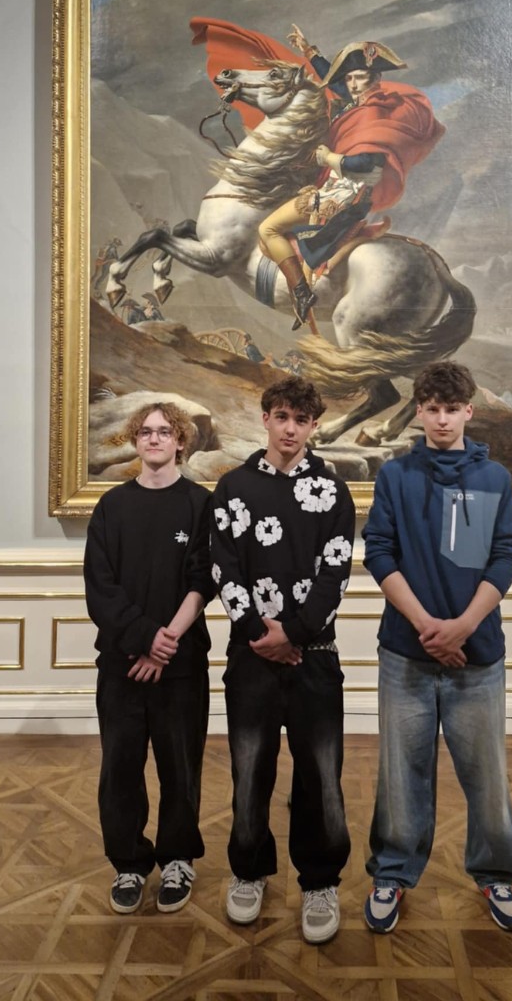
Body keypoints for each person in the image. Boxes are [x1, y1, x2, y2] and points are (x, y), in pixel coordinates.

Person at [361, 361, 512, 935]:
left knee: (486, 775)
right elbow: (379, 552)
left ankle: (496, 873)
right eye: (431, 408)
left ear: (468, 412)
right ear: (419, 412)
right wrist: (429, 627)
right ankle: (392, 874)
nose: (441, 419)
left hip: (476, 658)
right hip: (405, 654)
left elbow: (504, 555)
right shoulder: (395, 476)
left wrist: (462, 628)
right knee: (401, 774)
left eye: (451, 409)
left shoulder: (494, 479)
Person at [211, 377, 355, 945]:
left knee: (321, 774)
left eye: (301, 420)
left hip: (313, 656)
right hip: (251, 656)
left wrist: (292, 632)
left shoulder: (332, 491)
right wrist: (259, 633)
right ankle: (249, 871)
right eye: (281, 417)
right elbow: (223, 567)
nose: (290, 429)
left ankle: (319, 881)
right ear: (266, 419)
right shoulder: (233, 487)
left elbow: (335, 572)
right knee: (250, 770)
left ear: (314, 425)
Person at [84, 400, 214, 917]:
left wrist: (165, 644)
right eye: (145, 432)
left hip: (181, 664)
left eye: (164, 431)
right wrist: (143, 639)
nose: (154, 439)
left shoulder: (200, 504)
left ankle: (178, 859)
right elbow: (101, 588)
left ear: (181, 441)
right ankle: (129, 864)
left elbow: (203, 581)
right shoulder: (112, 507)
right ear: (136, 441)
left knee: (180, 768)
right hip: (121, 664)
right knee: (120, 769)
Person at [256, 27, 445, 330]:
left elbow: (368, 163)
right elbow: (335, 84)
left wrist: (329, 158)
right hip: (340, 189)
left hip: (343, 196)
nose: (353, 84)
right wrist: (309, 51)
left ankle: (302, 293)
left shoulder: (373, 113)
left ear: (375, 78)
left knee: (268, 228)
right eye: (350, 78)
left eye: (359, 78)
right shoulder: (364, 103)